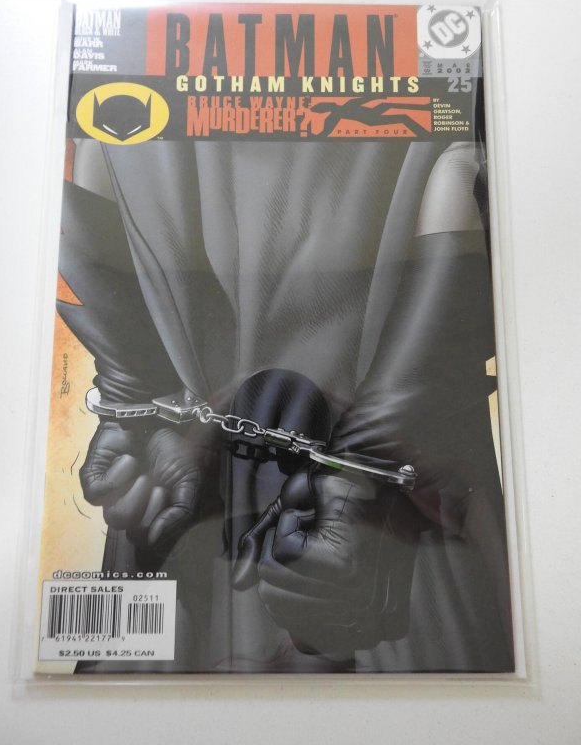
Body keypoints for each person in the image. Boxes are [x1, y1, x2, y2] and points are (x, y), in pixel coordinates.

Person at [58, 134, 514, 673]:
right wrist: (129, 394)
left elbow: (96, 156)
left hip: (389, 492)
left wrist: (130, 391)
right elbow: (472, 167)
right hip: (379, 481)